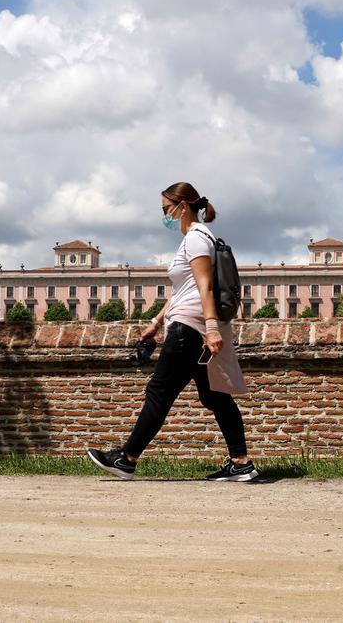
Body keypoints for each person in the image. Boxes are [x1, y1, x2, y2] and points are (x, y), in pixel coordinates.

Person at [88, 182, 256, 481]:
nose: (164, 215)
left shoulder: (195, 239)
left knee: (158, 393)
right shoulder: (198, 238)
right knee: (214, 396)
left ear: (182, 206)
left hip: (190, 328)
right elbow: (184, 290)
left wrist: (212, 328)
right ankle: (240, 464)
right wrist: (155, 321)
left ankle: (126, 459)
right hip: (191, 324)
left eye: (166, 209)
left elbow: (205, 286)